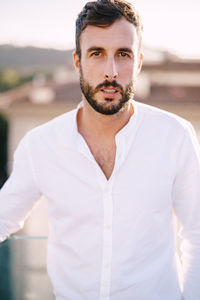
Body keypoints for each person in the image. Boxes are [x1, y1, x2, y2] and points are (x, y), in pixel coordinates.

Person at [0, 0, 200, 299]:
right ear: (78, 62)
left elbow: (197, 233)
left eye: (123, 54)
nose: (111, 71)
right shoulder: (40, 145)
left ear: (139, 62)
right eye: (97, 53)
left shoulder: (176, 136)